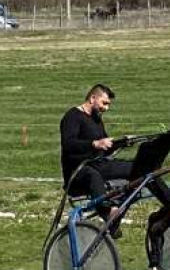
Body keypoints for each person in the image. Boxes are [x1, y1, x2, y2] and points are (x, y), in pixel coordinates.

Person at [60, 84, 131, 239]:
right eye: (104, 103)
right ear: (92, 98)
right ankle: (108, 214)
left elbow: (104, 148)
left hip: (99, 165)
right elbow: (69, 144)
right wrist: (94, 143)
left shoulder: (96, 119)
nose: (106, 108)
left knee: (138, 168)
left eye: (108, 105)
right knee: (93, 174)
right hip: (77, 173)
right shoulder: (72, 117)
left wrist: (121, 143)